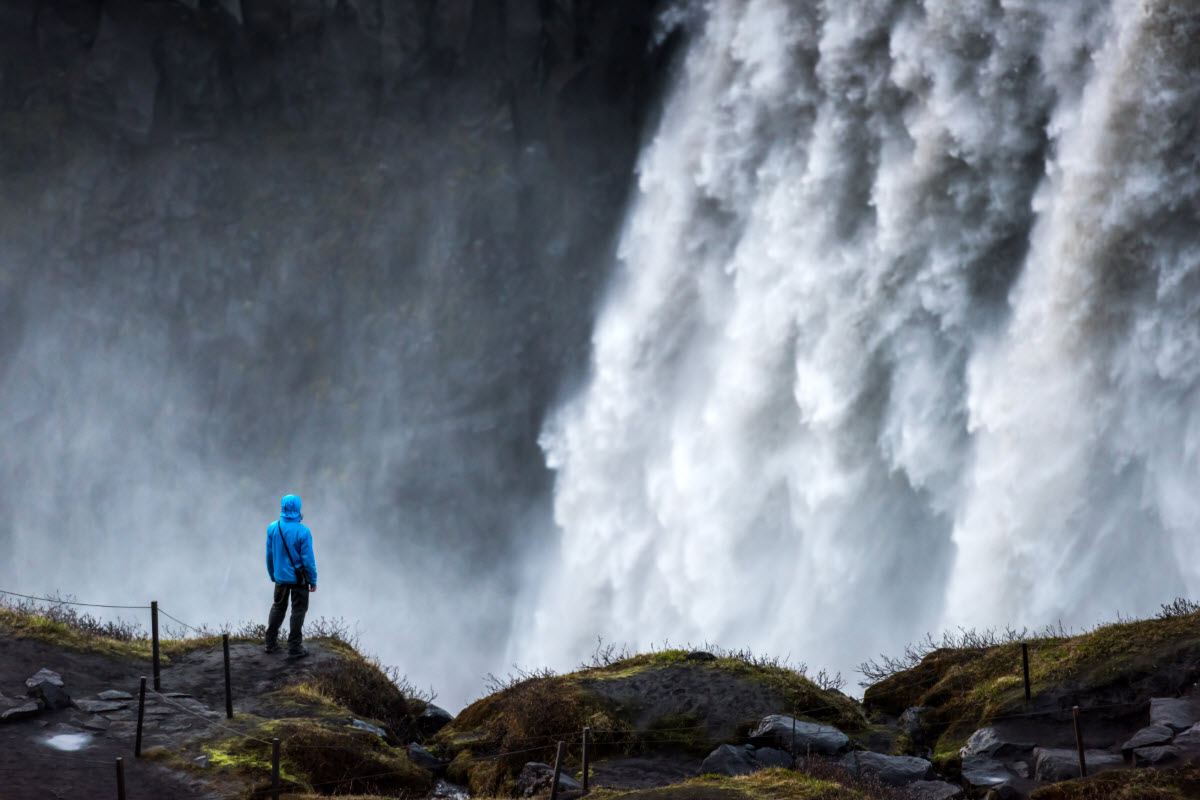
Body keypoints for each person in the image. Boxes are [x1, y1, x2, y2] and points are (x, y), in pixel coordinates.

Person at [264, 494, 318, 658]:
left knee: (278, 607)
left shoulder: (273, 528)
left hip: (280, 577)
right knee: (298, 610)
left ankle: (270, 643)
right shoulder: (303, 532)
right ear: (298, 508)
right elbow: (308, 560)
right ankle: (294, 646)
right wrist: (313, 580)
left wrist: (273, 574)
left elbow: (269, 555)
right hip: (299, 579)